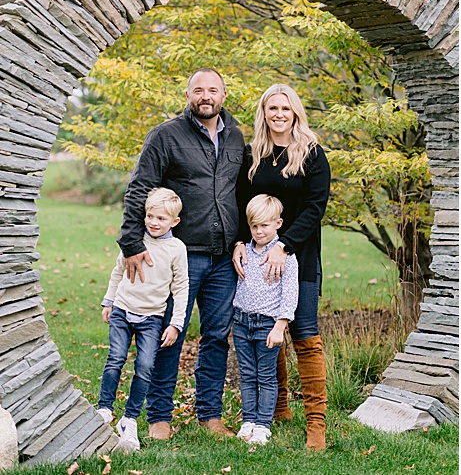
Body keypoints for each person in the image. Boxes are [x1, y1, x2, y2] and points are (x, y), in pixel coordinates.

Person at [117, 68, 245, 439]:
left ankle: (210, 414)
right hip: (179, 257)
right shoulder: (165, 135)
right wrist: (132, 243)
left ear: (224, 94)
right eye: (199, 90)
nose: (206, 96)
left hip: (223, 259)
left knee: (217, 336)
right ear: (188, 94)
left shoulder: (236, 138)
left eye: (213, 90)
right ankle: (159, 416)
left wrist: (239, 240)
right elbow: (139, 189)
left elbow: (237, 194)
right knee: (168, 333)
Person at [234, 82, 331, 451]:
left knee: (304, 335)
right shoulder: (252, 154)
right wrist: (239, 243)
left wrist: (285, 245)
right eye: (272, 108)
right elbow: (241, 204)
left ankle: (316, 424)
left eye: (285, 109)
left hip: (300, 257)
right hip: (256, 259)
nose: (278, 114)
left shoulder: (311, 154)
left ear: (295, 113)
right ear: (264, 113)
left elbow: (315, 208)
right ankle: (277, 408)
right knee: (262, 329)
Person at [97, 188, 189, 451]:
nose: (153, 222)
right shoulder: (135, 239)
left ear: (175, 222)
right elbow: (118, 271)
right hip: (123, 311)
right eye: (150, 216)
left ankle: (130, 418)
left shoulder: (176, 248)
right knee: (115, 358)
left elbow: (181, 288)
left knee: (146, 365)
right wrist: (109, 300)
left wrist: (176, 323)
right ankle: (104, 408)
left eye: (161, 218)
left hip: (152, 318)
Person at [232, 194, 299, 446]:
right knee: (247, 374)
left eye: (265, 226)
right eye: (254, 226)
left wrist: (280, 326)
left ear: (278, 224)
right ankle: (248, 420)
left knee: (266, 376)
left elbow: (290, 293)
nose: (259, 231)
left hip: (267, 325)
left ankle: (263, 425)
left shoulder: (285, 256)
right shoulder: (243, 251)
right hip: (240, 322)